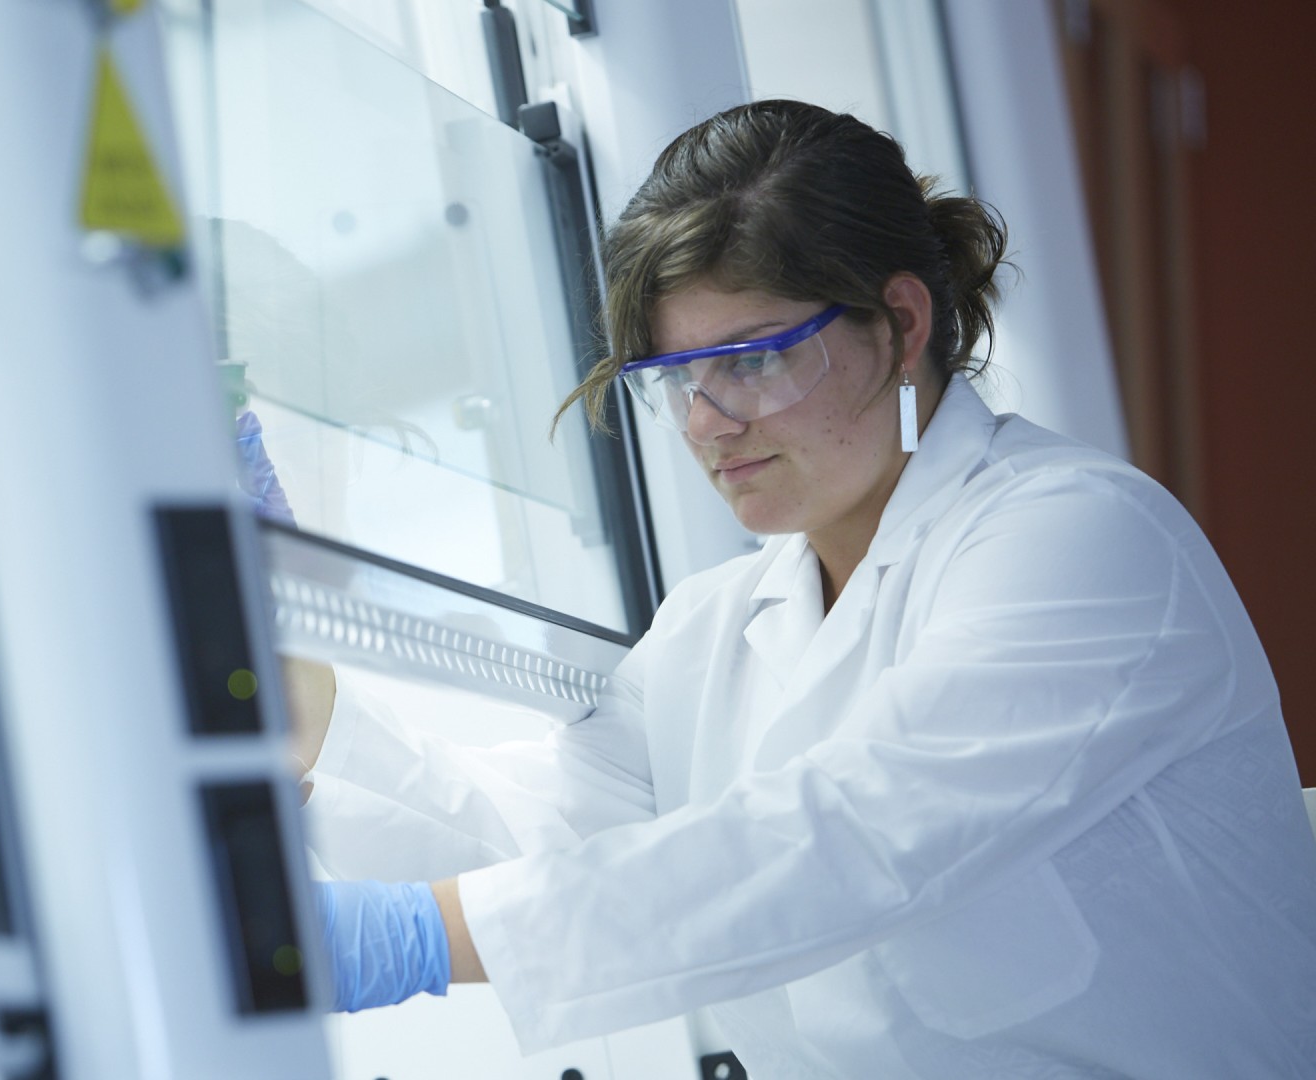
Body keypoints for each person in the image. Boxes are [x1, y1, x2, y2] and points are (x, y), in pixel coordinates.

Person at [289, 100, 1316, 1076]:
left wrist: (414, 939)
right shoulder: (711, 628)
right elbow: (536, 842)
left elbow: (846, 838)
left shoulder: (1079, 536)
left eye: (749, 361)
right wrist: (290, 686)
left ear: (900, 324)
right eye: (677, 379)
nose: (706, 423)